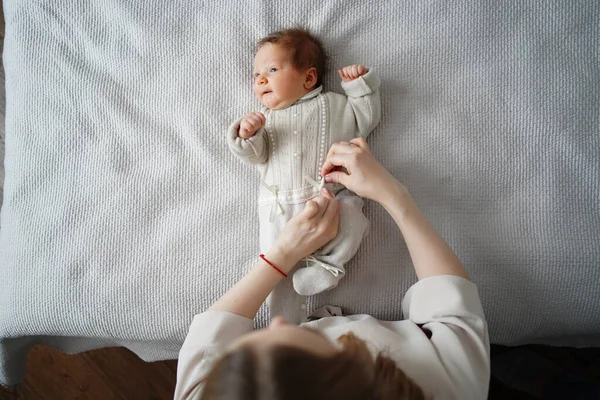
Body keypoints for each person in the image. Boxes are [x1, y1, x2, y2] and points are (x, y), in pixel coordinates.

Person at [175, 138, 491, 400]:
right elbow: (452, 307)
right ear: (353, 370)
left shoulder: (211, 393)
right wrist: (393, 195)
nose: (279, 322)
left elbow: (211, 334)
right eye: (290, 339)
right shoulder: (449, 388)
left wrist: (283, 253)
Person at [227, 28, 381, 308]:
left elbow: (365, 118)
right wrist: (247, 135)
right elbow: (255, 156)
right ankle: (283, 323)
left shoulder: (336, 105)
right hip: (278, 207)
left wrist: (358, 86)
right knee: (276, 263)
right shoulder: (265, 121)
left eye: (272, 69)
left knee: (353, 218)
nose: (261, 79)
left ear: (309, 77)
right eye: (256, 75)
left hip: (331, 197)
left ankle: (328, 267)